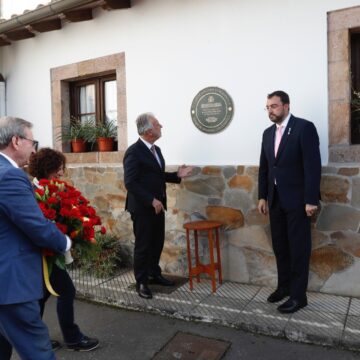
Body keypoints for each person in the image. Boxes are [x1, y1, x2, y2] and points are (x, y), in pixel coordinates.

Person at [0, 116, 71, 360]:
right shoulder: (10, 175)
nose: (34, 148)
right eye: (33, 141)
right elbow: (35, 225)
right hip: (11, 282)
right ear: (16, 141)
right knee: (38, 351)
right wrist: (65, 242)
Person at [28, 147, 99, 352]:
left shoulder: (56, 188)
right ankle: (73, 338)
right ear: (48, 168)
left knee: (42, 294)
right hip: (42, 254)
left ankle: (37, 339)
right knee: (66, 291)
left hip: (52, 251)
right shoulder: (32, 191)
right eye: (58, 168)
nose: (61, 172)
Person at [258, 91, 321, 314]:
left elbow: (312, 167)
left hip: (298, 202)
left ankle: (298, 296)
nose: (270, 111)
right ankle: (283, 287)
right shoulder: (267, 134)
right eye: (267, 107)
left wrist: (311, 199)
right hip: (275, 202)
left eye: (274, 106)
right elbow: (265, 168)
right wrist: (262, 196)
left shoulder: (304, 128)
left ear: (286, 106)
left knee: (298, 249)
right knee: (280, 247)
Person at [124, 113, 193, 299]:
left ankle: (154, 274)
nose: (160, 125)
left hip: (157, 206)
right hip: (143, 207)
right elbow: (130, 182)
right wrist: (151, 200)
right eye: (157, 124)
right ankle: (141, 282)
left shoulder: (157, 150)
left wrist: (177, 174)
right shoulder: (133, 152)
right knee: (143, 245)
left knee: (157, 243)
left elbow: (157, 175)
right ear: (148, 131)